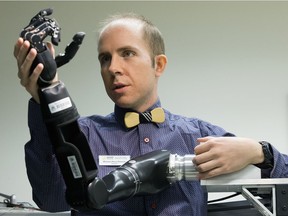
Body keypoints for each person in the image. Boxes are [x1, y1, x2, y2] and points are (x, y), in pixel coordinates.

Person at [14, 12, 288, 215]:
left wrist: (259, 151)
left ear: (158, 65)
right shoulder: (81, 134)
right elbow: (51, 200)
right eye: (105, 58)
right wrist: (46, 96)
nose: (113, 68)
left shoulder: (199, 135)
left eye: (127, 53)